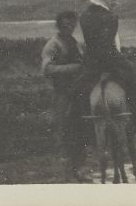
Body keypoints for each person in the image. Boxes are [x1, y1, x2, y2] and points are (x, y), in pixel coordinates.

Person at [72, 0, 136, 138]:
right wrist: (118, 59)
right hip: (111, 60)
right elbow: (107, 46)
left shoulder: (84, 16)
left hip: (91, 63)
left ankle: (79, 134)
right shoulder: (110, 17)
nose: (116, 3)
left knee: (76, 92)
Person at [40, 11, 88, 183]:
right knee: (64, 132)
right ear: (59, 25)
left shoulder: (76, 43)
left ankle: (79, 171)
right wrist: (73, 68)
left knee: (81, 132)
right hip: (63, 94)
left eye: (73, 24)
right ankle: (67, 174)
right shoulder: (52, 45)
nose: (70, 27)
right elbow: (47, 69)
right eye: (66, 24)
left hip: (78, 93)